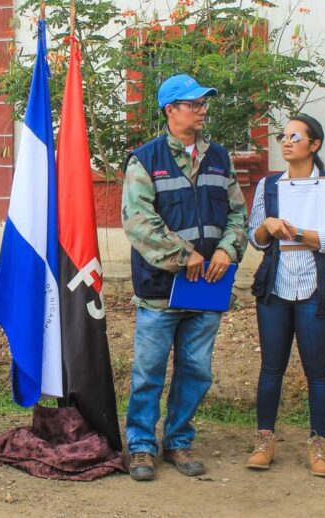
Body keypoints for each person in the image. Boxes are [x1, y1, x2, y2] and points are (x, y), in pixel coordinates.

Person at [121, 74, 248, 481]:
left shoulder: (220, 158)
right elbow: (139, 222)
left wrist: (228, 249)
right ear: (170, 110)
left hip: (207, 287)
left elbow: (238, 214)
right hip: (160, 290)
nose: (202, 109)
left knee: (196, 370)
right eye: (194, 103)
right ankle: (141, 446)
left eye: (204, 102)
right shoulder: (145, 159)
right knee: (148, 372)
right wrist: (184, 255)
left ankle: (178, 440)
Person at [245, 114, 325, 477]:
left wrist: (300, 234)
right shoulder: (269, 186)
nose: (286, 142)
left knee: (317, 370)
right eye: (283, 136)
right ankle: (264, 439)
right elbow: (255, 238)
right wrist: (266, 226)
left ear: (315, 144)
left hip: (317, 286)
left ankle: (319, 442)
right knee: (271, 367)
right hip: (276, 285)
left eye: (295, 136)